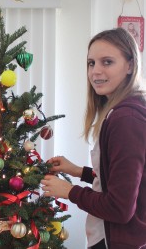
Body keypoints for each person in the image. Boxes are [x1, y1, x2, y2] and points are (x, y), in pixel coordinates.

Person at [41, 28, 146, 249]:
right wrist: (80, 172)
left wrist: (70, 191)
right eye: (91, 63)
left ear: (130, 65)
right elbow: (122, 183)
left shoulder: (125, 119)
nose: (95, 72)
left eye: (107, 62)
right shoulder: (122, 112)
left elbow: (120, 208)